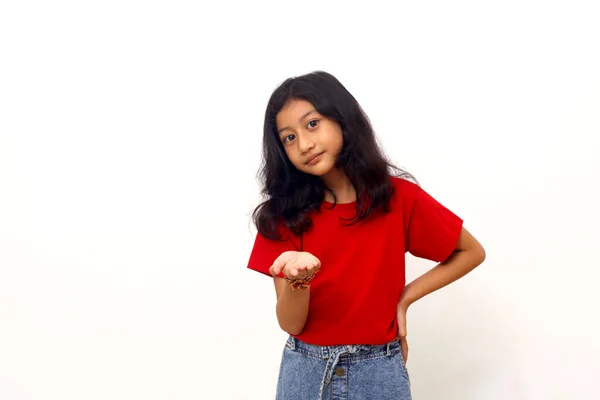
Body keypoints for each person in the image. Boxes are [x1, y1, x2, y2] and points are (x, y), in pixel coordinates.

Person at [246, 71, 486, 400]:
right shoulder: (284, 216)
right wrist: (297, 280)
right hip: (305, 371)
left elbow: (470, 252)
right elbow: (292, 324)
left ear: (342, 118)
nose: (304, 144)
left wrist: (404, 298)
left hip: (380, 371)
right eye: (288, 137)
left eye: (312, 124)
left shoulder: (400, 199)